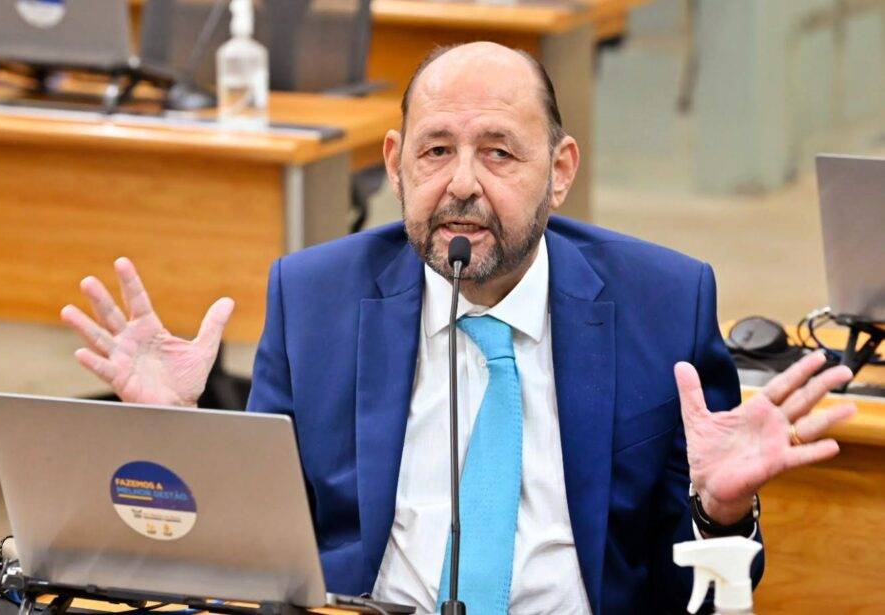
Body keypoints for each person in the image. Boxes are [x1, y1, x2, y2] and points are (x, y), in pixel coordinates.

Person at [60, 42, 856, 614]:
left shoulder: (664, 300)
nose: (462, 184)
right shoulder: (315, 299)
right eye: (436, 151)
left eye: (500, 153)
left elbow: (702, 590)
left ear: (561, 171)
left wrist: (718, 514)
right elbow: (255, 558)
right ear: (397, 163)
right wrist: (178, 431)